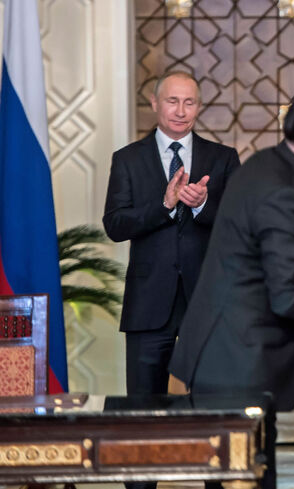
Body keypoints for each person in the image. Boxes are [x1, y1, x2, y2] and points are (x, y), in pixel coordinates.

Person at [168, 81, 294, 489]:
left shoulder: (271, 165)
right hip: (236, 368)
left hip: (233, 358)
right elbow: (289, 294)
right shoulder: (283, 191)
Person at [103, 70, 240, 399]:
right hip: (148, 304)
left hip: (208, 300)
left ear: (199, 107)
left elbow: (241, 227)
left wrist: (202, 206)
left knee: (214, 403)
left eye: (189, 102)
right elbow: (115, 225)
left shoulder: (223, 159)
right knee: (143, 407)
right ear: (154, 104)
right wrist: (165, 205)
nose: (181, 111)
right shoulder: (127, 159)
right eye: (173, 101)